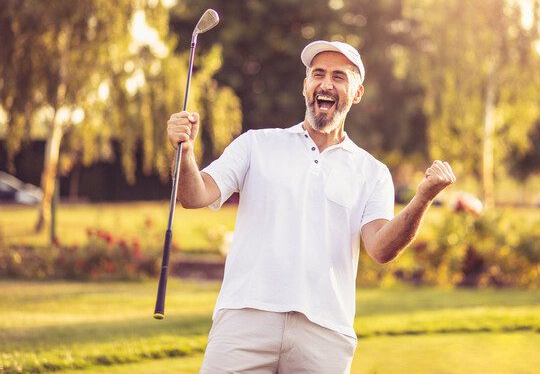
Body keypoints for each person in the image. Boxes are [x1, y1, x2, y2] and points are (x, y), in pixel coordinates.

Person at [166, 40, 456, 373]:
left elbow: (380, 248)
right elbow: (194, 195)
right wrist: (185, 153)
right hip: (245, 317)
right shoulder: (256, 144)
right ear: (306, 86)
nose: (326, 83)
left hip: (325, 331)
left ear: (357, 93)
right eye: (318, 74)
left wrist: (422, 199)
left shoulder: (371, 172)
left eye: (339, 76)